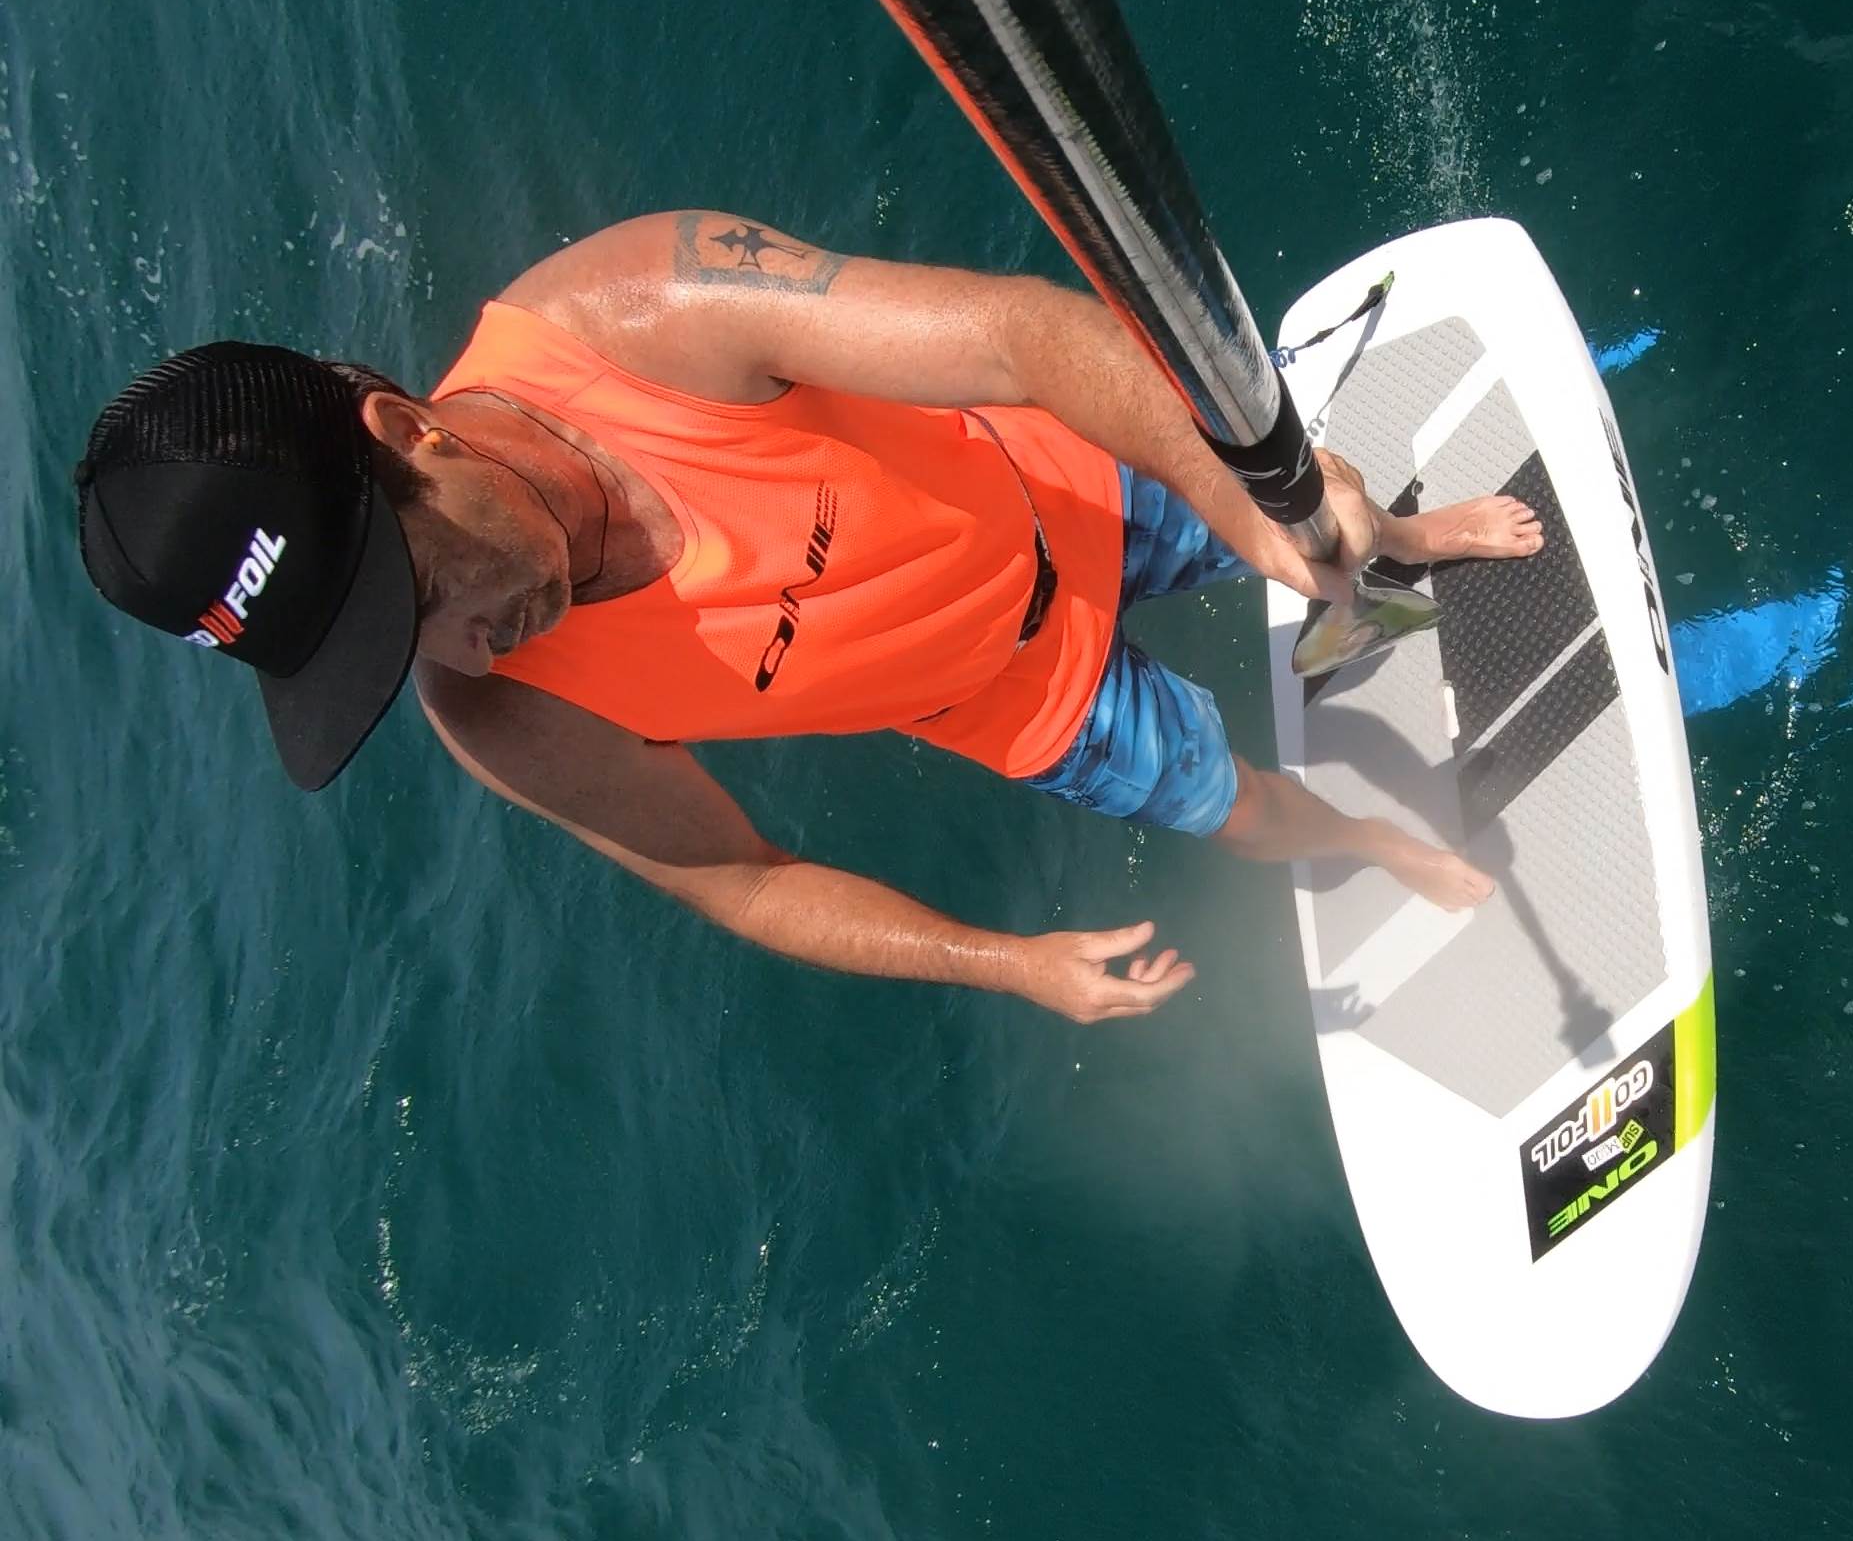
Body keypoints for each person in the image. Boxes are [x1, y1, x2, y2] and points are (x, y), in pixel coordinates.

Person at [73, 211, 1542, 1022]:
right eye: (389, 653)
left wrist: (1236, 491)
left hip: (1066, 478)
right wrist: (1009, 962)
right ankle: (1379, 842)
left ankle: (1403, 537)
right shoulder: (501, 716)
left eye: (414, 588)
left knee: (1311, 536)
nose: (461, 644)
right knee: (1237, 807)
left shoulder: (636, 316)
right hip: (1020, 703)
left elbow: (1023, 336)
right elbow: (745, 883)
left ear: (409, 433)